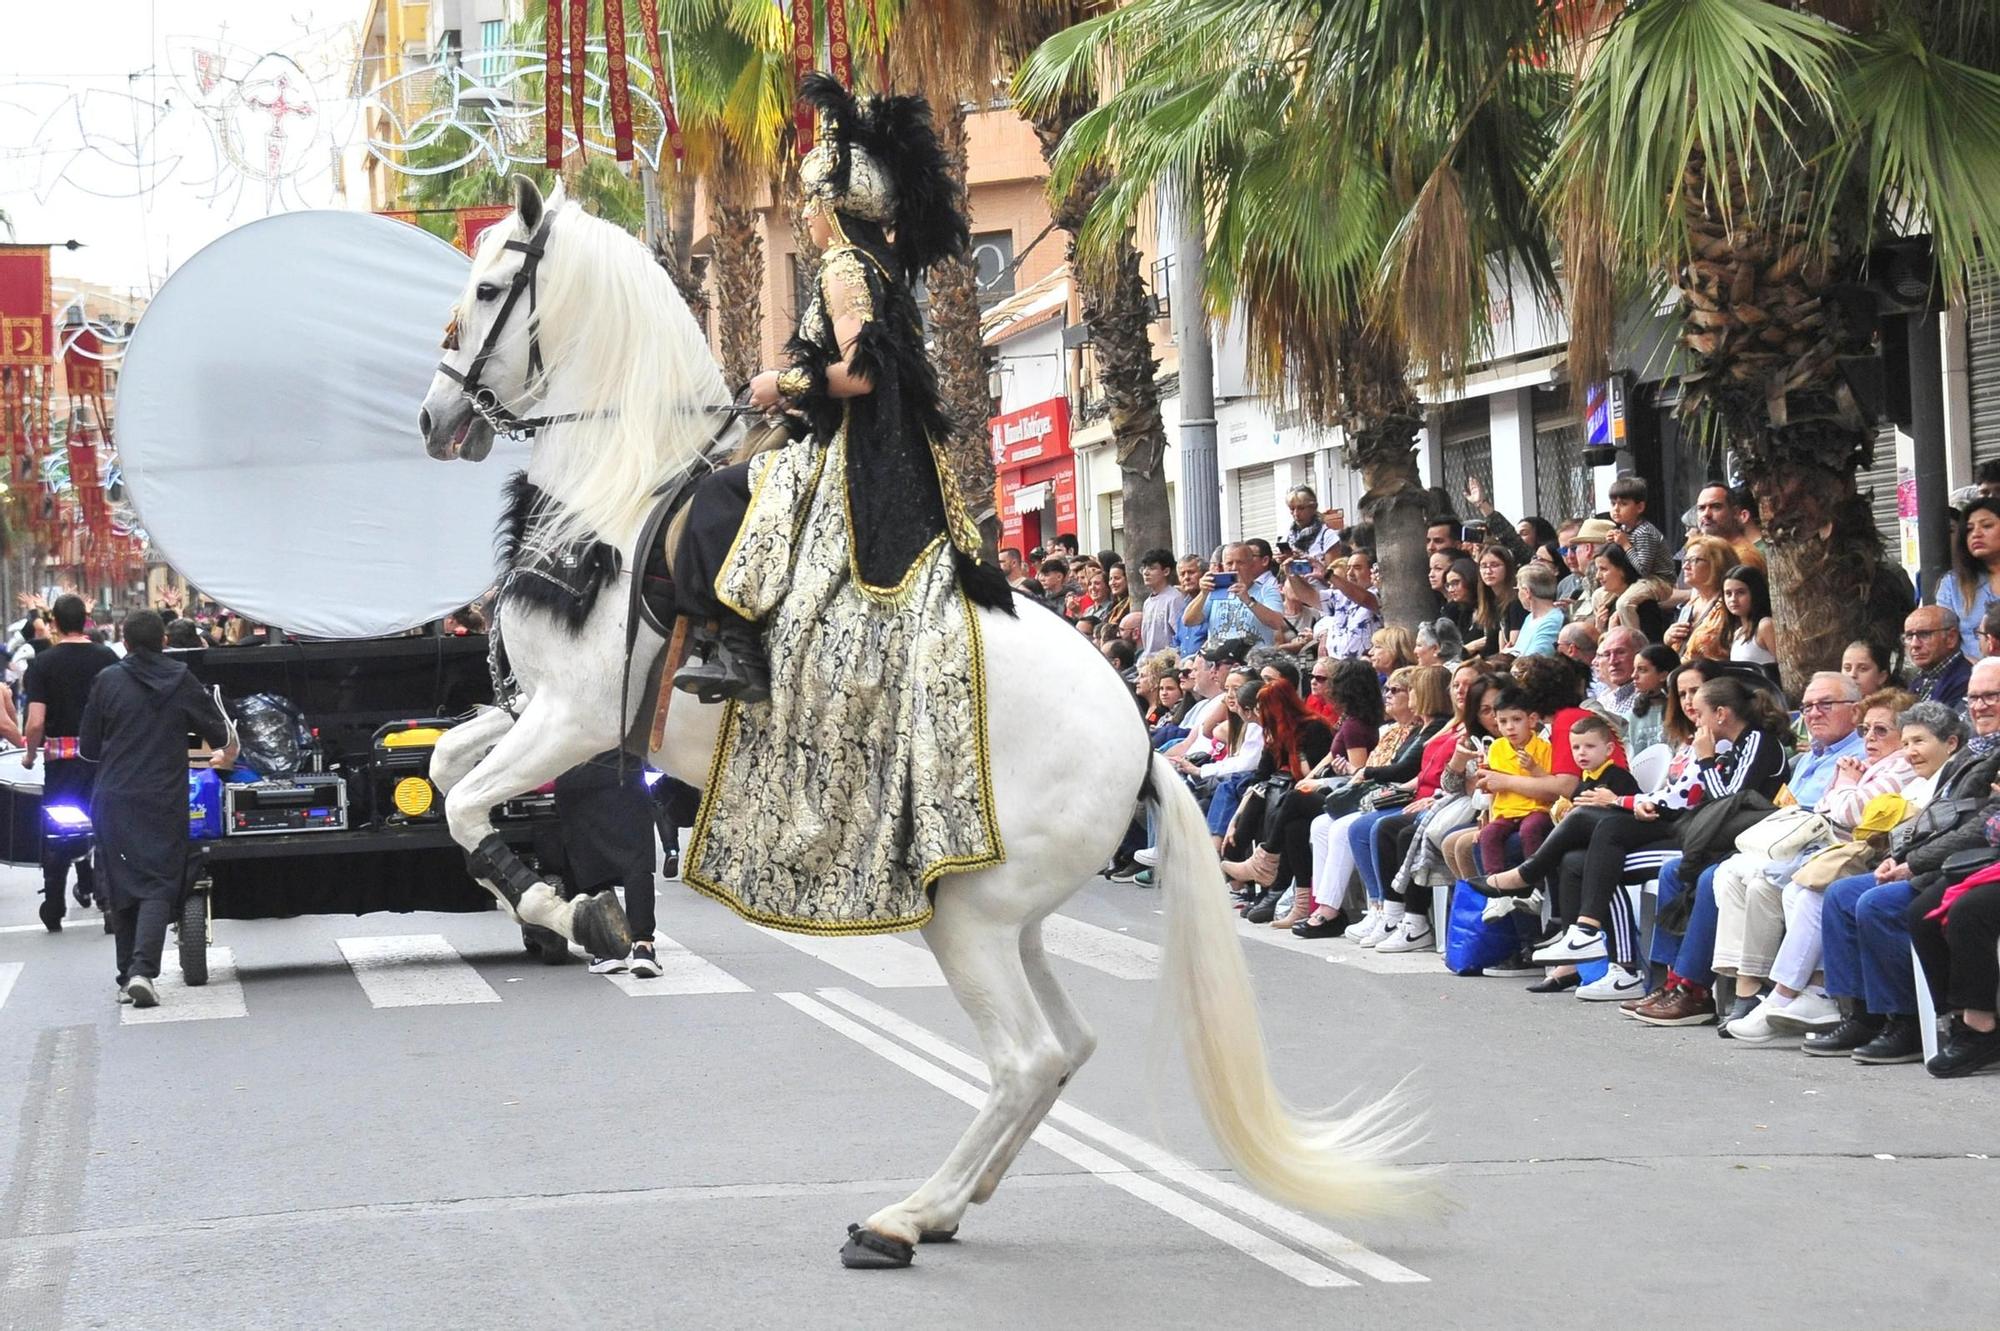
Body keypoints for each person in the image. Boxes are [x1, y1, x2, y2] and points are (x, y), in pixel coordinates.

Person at [1805, 688, 2000, 1063]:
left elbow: (1973, 827)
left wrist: (1912, 863)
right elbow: (1934, 823)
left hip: (1961, 862)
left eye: (1918, 741)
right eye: (1973, 696)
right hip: (1936, 858)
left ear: (1949, 741)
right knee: (1841, 894)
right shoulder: (1971, 754)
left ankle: (1908, 1019)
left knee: (1878, 904)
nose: (1978, 705)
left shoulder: (1982, 756)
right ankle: (1865, 1014)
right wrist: (1899, 857)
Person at [1716, 686, 1919, 1043]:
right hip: (1837, 851)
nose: (1870, 738)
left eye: (1881, 731)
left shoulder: (1898, 765)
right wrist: (1846, 789)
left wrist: (1846, 783)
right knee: (1759, 880)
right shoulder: (1869, 765)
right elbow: (1829, 809)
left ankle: (1796, 995)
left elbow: (1849, 812)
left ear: (1904, 737)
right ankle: (1785, 992)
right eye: (1866, 730)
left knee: (1810, 891)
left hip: (1868, 856)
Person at [80, 611, 236, 1007]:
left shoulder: (107, 681)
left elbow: (88, 748)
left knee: (121, 882)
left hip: (113, 797)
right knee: (158, 883)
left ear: (126, 643)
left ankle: (126, 977)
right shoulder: (181, 679)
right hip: (162, 798)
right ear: (165, 641)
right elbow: (219, 733)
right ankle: (142, 972)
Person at [1517, 714, 1641, 993]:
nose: (1581, 753)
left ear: (1609, 750)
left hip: (1620, 845)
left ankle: (1527, 875)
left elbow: (1630, 817)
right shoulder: (1585, 780)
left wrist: (1605, 806)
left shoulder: (1618, 778)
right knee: (1569, 861)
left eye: (1589, 747)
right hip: (1594, 846)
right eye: (1576, 748)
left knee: (1580, 861)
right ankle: (1571, 954)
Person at [20, 595, 121, 930]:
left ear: (55, 625)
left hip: (61, 763)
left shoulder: (43, 664)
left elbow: (35, 722)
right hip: (102, 760)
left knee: (58, 830)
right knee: (103, 826)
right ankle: (108, 902)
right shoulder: (106, 657)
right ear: (86, 621)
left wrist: (31, 753)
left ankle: (54, 904)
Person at [549, 752, 664, 976]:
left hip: (575, 779)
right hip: (624, 776)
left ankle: (606, 952)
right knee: (637, 863)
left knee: (589, 862)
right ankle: (643, 948)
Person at [1185, 542, 1287, 647]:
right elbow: (1189, 621)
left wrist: (1249, 601)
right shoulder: (1215, 592)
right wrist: (1203, 594)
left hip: (1253, 660)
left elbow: (1277, 623)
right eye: (1229, 563)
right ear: (1222, 566)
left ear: (1251, 564)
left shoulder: (1266, 589)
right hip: (1219, 660)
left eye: (1240, 562)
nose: (1234, 567)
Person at [1604, 475, 1676, 622]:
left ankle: (1633, 640)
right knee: (1600, 596)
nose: (1616, 509)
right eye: (1613, 504)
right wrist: (1613, 545)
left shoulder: (1644, 532)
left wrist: (1625, 544)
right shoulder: (1624, 529)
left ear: (1640, 507)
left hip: (1659, 581)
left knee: (1624, 603)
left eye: (1623, 504)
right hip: (1639, 580)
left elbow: (1643, 569)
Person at [1937, 498, 2000, 662]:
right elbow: (1944, 642)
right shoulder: (1952, 584)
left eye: (1987, 526)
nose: (1976, 534)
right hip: (1972, 678)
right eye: (1969, 529)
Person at [1664, 534, 1733, 662]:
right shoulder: (1693, 602)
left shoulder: (1729, 604)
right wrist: (1668, 638)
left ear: (1716, 564)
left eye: (1694, 560)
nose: (1685, 566)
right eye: (1685, 560)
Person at [1591, 543, 1667, 644]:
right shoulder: (1608, 604)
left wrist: (1612, 635)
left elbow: (1651, 651)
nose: (1598, 576)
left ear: (1623, 570)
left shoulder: (1643, 606)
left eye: (1604, 569)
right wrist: (1599, 628)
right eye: (1597, 569)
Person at [1902, 604, 1971, 708]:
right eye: (1909, 636)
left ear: (1951, 638)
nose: (1914, 644)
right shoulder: (1921, 679)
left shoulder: (1966, 681)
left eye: (1924, 634)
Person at [1464, 545, 1525, 657]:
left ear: (1508, 568)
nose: (1488, 571)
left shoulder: (1516, 602)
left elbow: (1512, 647)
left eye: (1495, 565)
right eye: (1483, 566)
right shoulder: (1490, 603)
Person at [1622, 644, 1681, 756]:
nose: (1634, 675)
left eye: (1642, 670)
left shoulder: (1679, 712)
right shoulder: (1630, 717)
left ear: (1663, 675)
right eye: (1634, 669)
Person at [1693, 481, 1766, 570]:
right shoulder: (1719, 552)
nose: (1706, 514)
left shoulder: (1742, 557)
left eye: (1716, 507)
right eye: (1701, 508)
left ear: (1735, 512)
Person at [1722, 564, 1777, 670]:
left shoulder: (1765, 625)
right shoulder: (1737, 632)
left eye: (1740, 593)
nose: (1733, 599)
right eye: (1728, 593)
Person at [1135, 548, 1188, 655]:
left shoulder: (1174, 599)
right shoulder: (1147, 603)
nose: (1146, 572)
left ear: (1166, 571)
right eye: (1144, 568)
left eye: (1152, 568)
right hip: (1148, 661)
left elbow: (1181, 635)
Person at [1512, 565, 1564, 657]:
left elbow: (1534, 661)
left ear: (1527, 592)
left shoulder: (1553, 621)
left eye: (1518, 590)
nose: (1517, 595)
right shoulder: (1530, 617)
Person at [1282, 486, 1341, 559]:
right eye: (1292, 509)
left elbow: (1333, 568)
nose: (1296, 514)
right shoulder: (1287, 537)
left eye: (1301, 508)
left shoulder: (1327, 536)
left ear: (1314, 507)